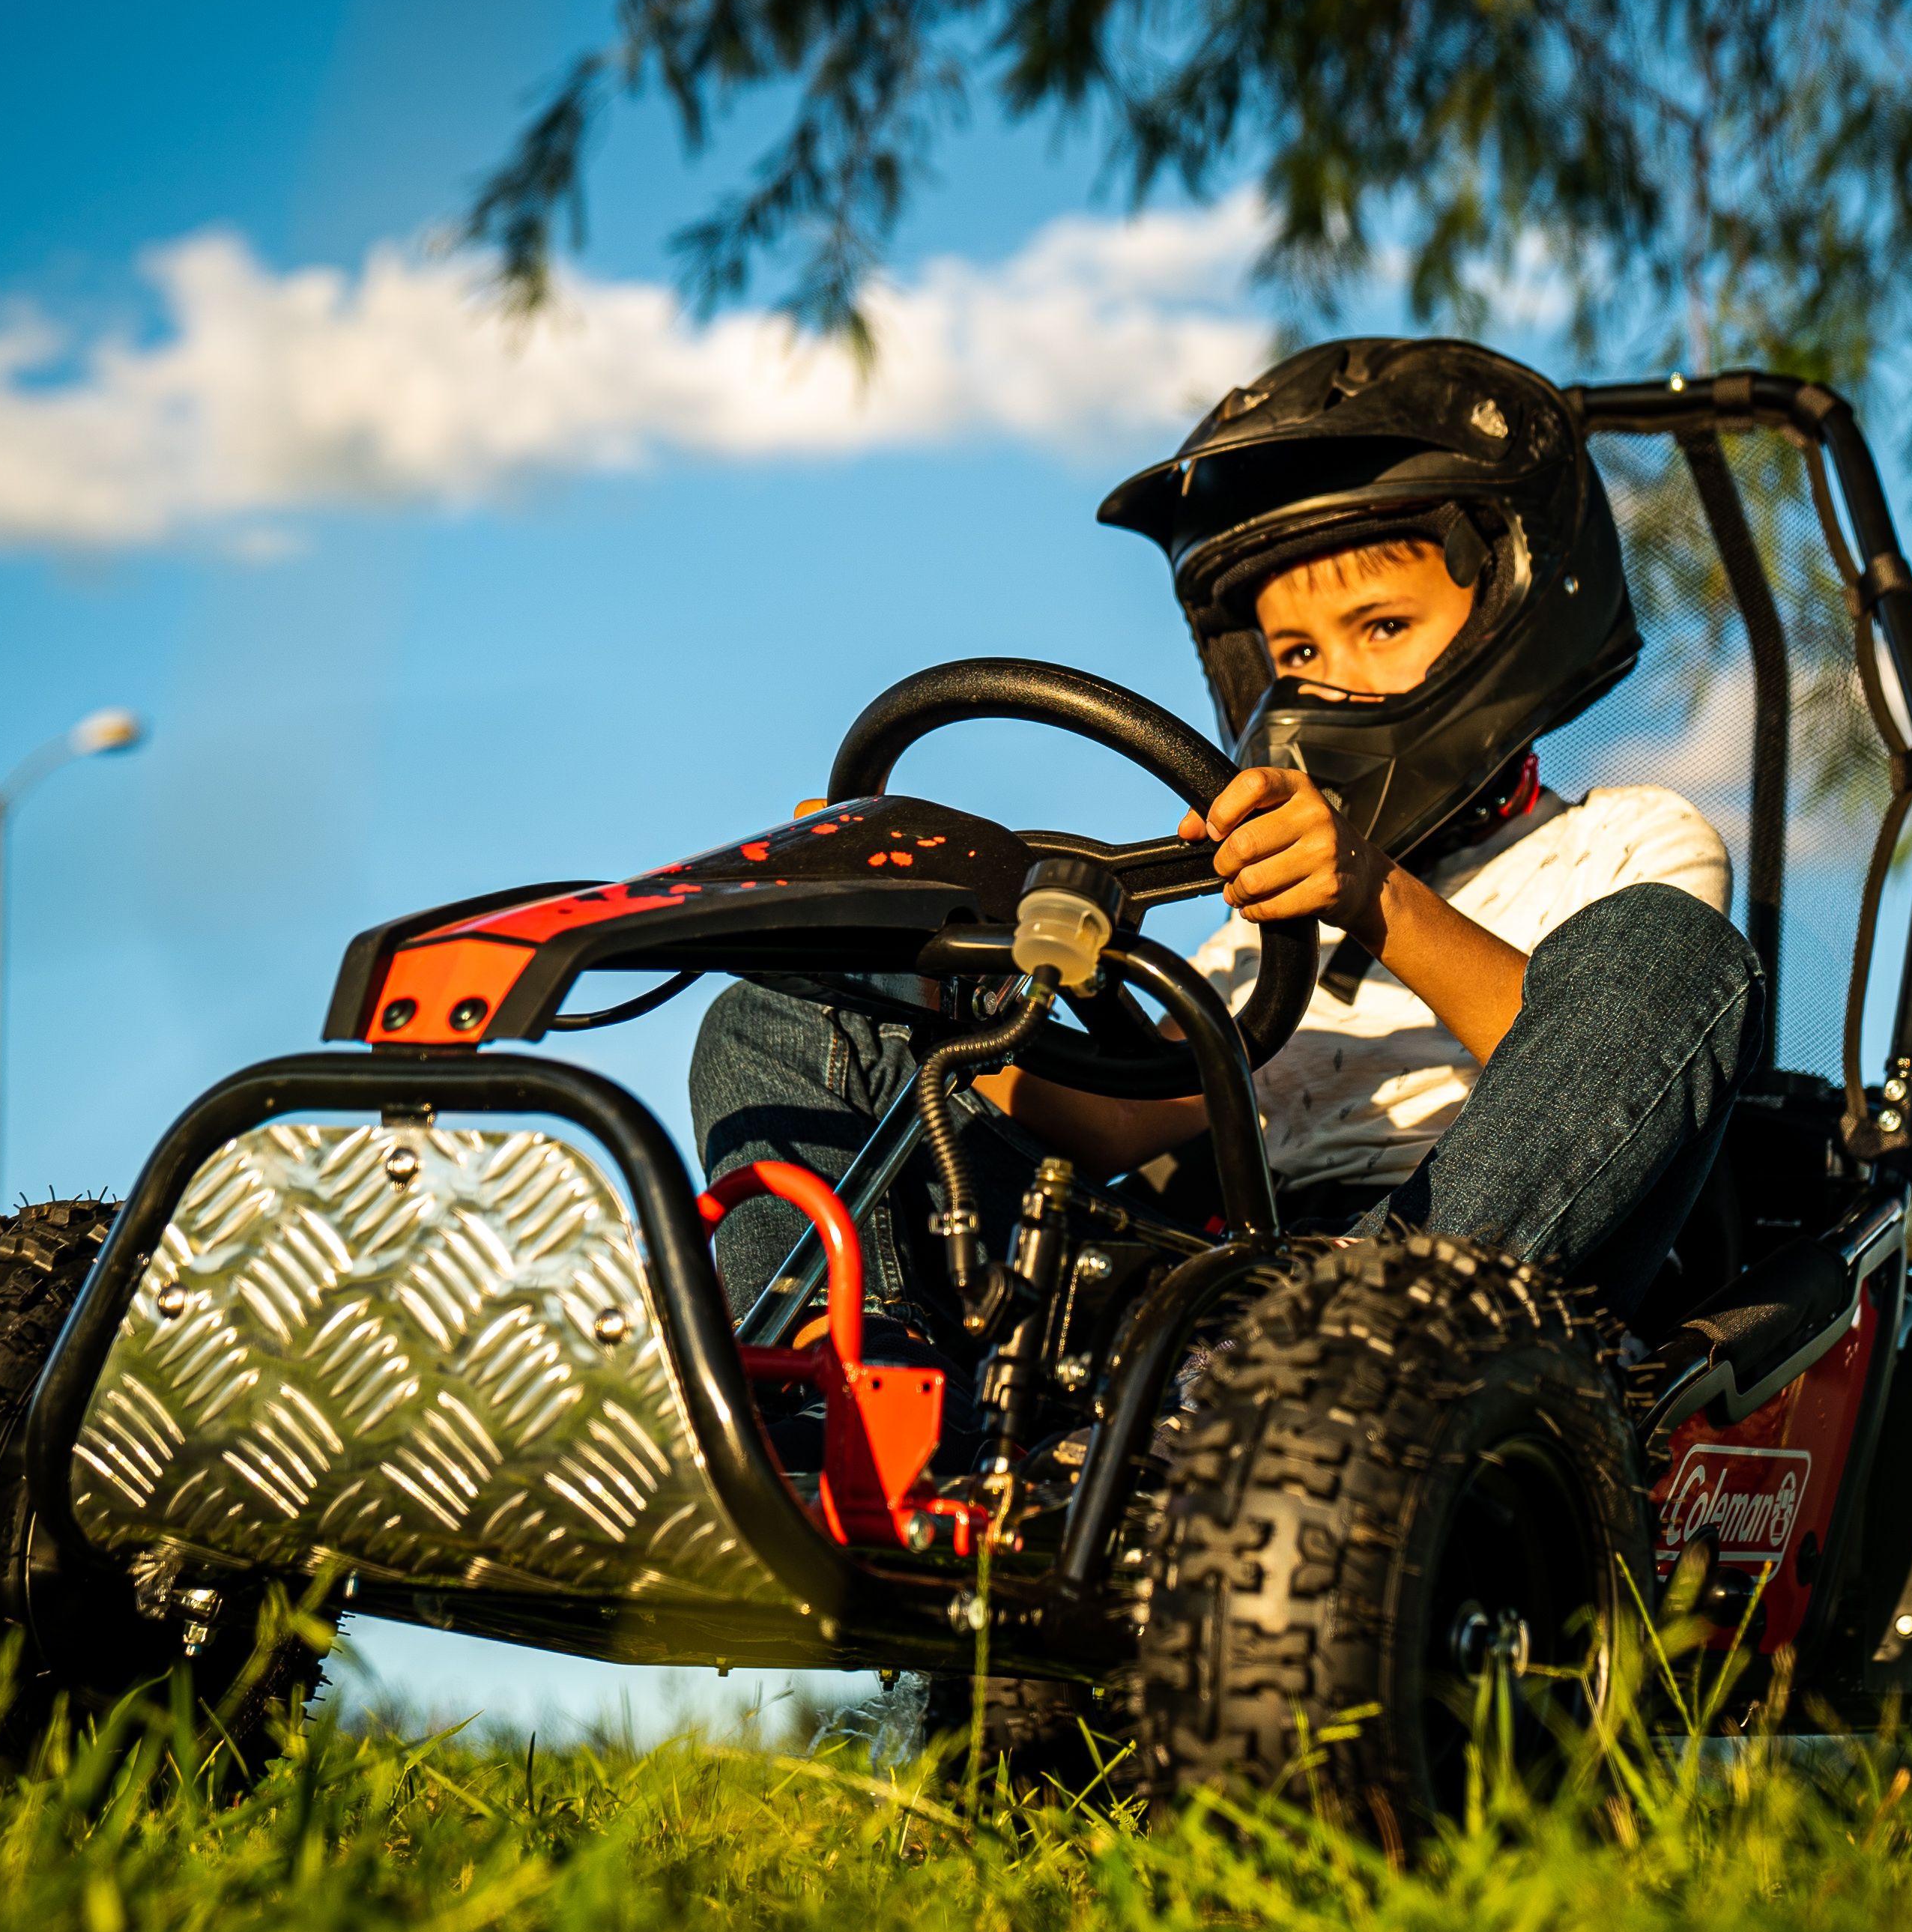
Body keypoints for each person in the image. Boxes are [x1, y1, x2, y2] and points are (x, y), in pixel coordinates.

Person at [689, 336, 1764, 1365]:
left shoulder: (1626, 841)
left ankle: (1355, 1341)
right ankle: (840, 1401)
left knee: (1672, 954)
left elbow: (1636, 1061)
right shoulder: (1258, 933)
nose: (1325, 681)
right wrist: (928, 969)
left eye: (1381, 627)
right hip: (1219, 1295)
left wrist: (1370, 893)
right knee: (786, 1008)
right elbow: (1118, 1120)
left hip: (1490, 1300)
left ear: (1514, 616)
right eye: (1295, 649)